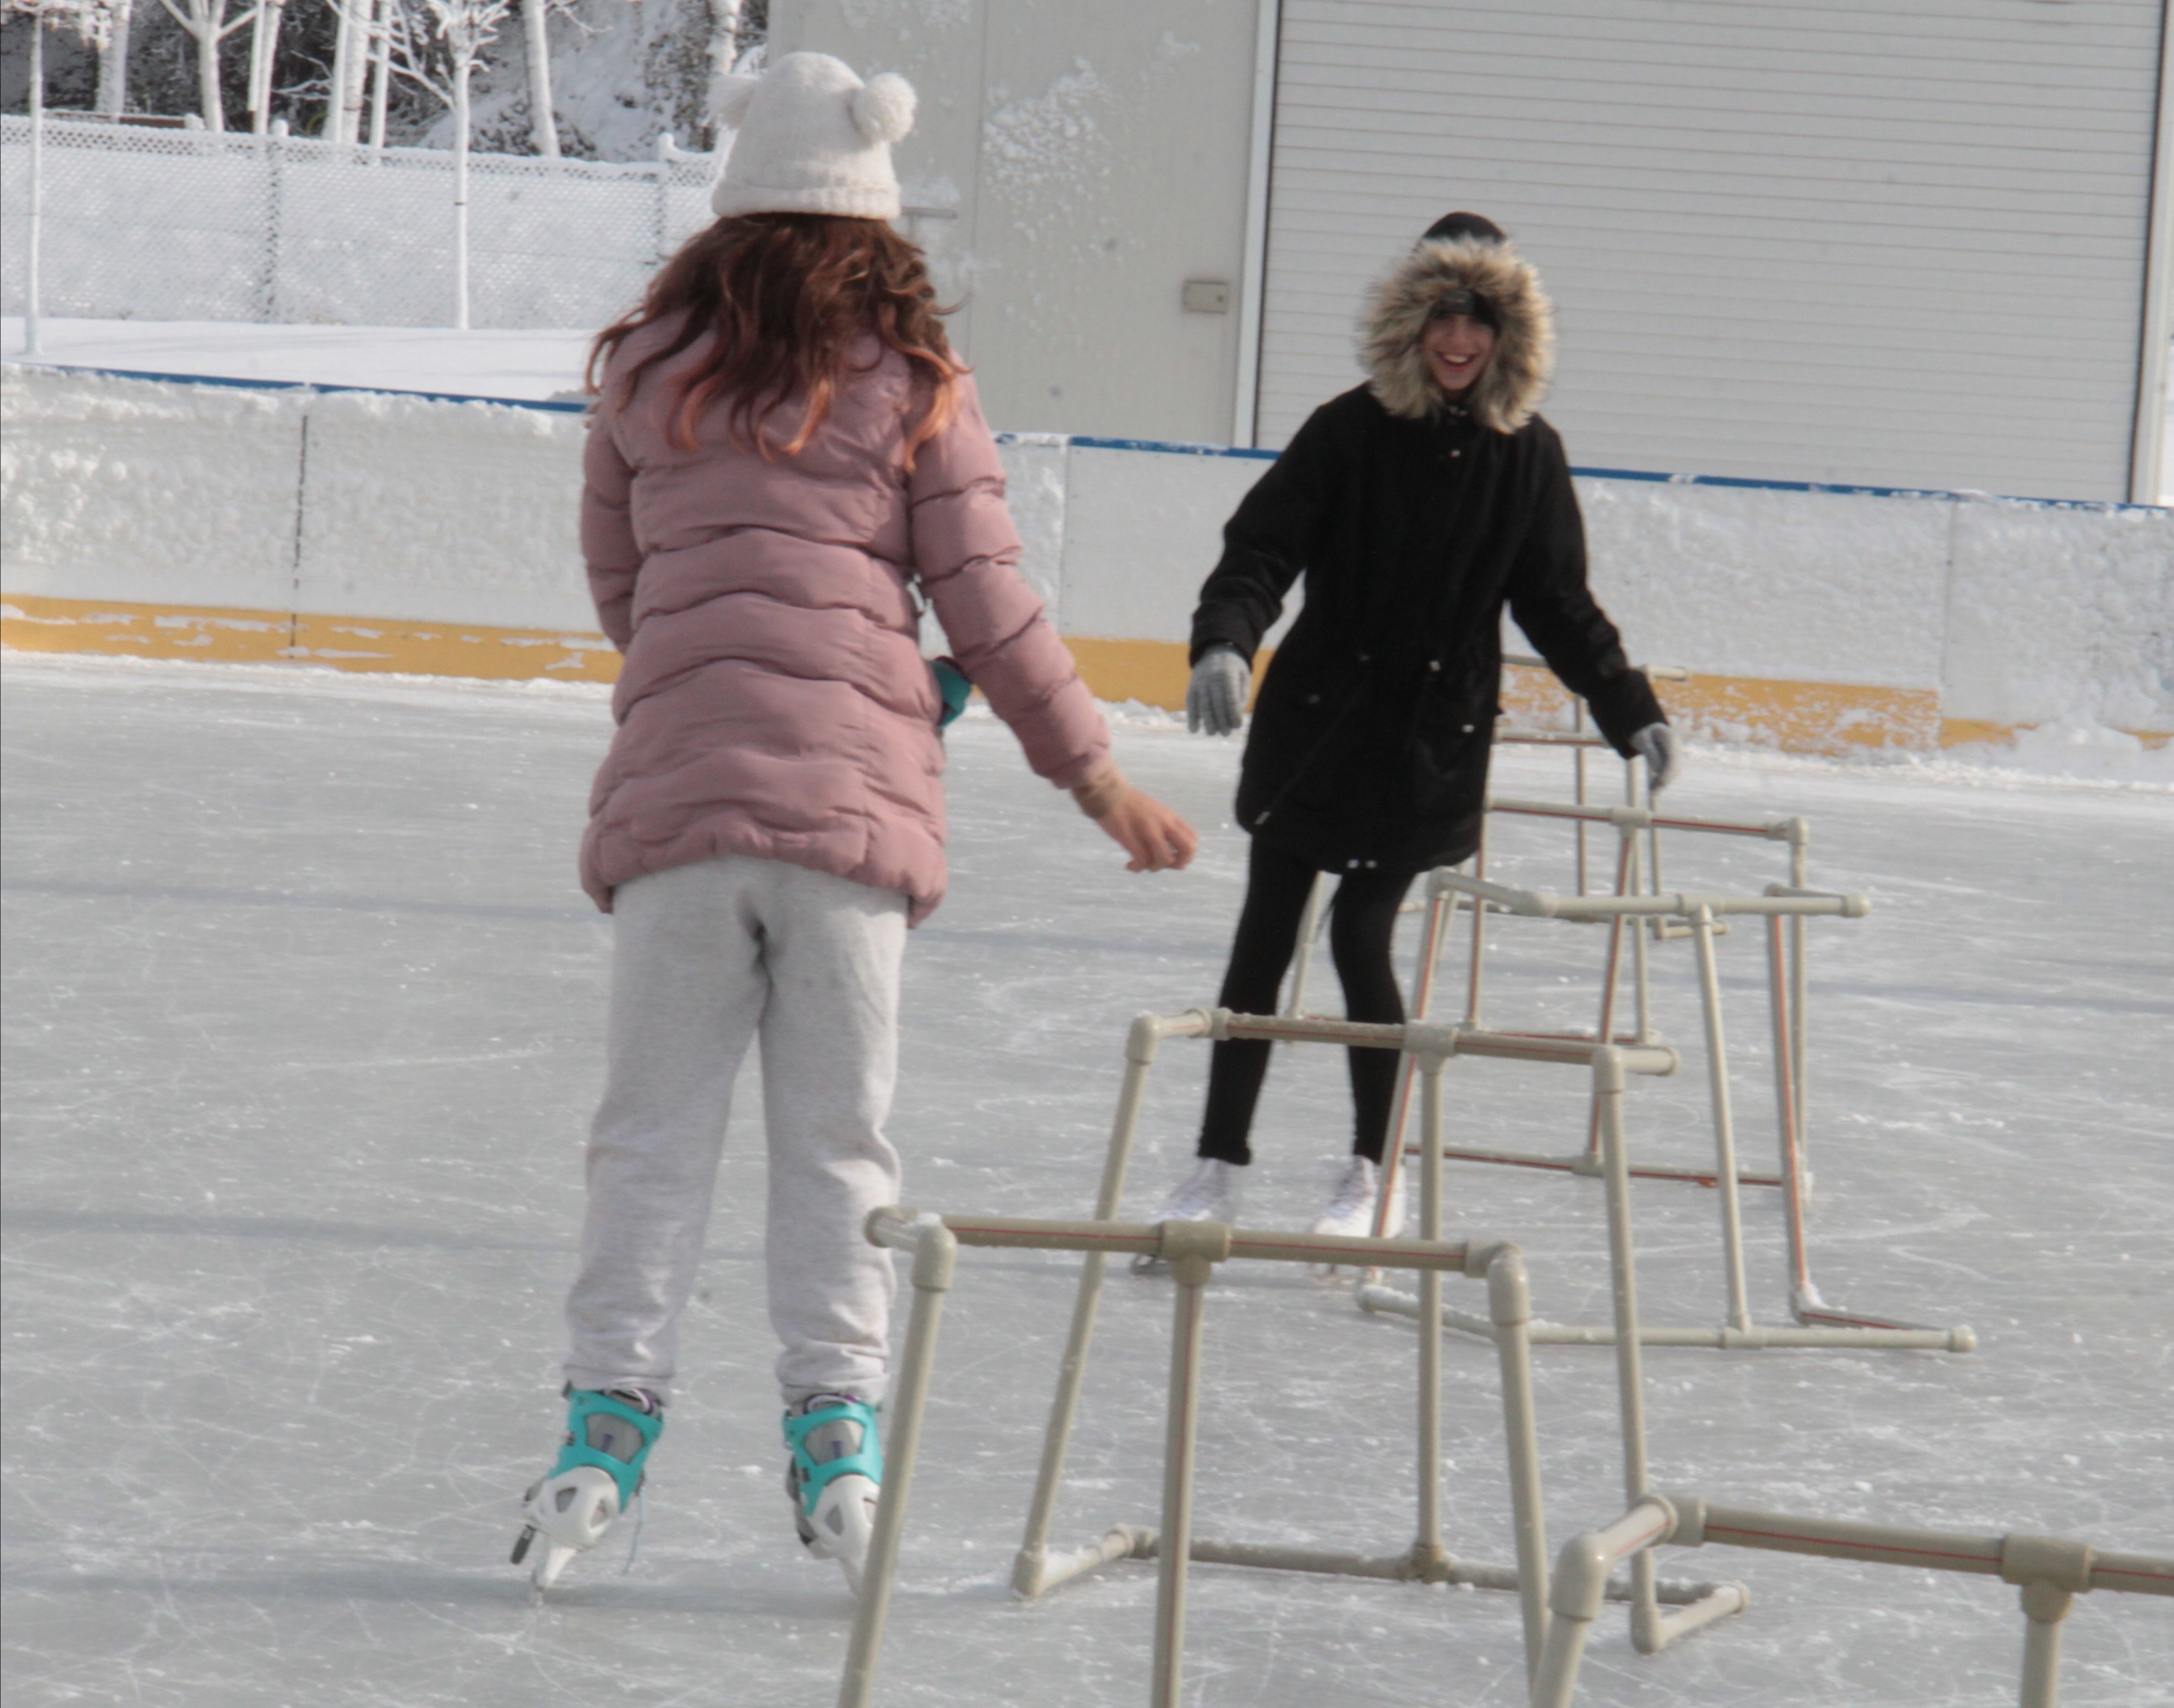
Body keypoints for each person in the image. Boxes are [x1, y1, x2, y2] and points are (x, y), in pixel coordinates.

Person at [511, 52, 1199, 1594]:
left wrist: (713, 681)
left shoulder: (644, 375)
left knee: (649, 1140)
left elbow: (628, 594)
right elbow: (990, 605)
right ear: (872, 217)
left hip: (683, 814)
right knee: (838, 1146)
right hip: (848, 828)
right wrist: (1090, 776)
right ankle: (838, 1442)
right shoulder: (913, 381)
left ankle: (602, 1432)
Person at [1145, 212, 1679, 1247]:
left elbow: (1558, 603)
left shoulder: (1526, 457)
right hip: (1317, 724)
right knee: (1264, 942)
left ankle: (1372, 1169)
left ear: (1506, 336)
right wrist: (1224, 642)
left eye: (1478, 324)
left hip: (1426, 743)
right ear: (1410, 324)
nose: (1458, 343)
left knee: (1360, 936)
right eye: (1442, 320)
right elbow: (1261, 550)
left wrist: (1630, 708)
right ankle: (1216, 1164)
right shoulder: (1347, 431)